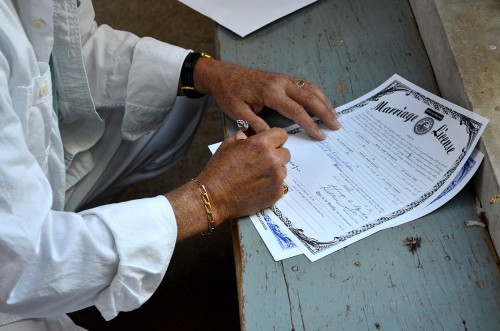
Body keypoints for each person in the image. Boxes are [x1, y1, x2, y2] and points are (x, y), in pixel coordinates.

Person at [0, 0, 340, 329]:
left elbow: (69, 46)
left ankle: (81, 228)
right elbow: (19, 265)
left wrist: (209, 72)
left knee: (178, 98)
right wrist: (208, 199)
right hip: (12, 274)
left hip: (25, 166)